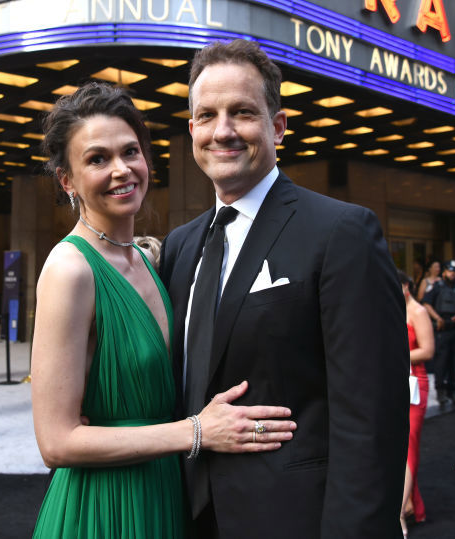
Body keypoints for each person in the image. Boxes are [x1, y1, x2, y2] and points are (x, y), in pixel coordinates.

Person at [160, 40, 407, 537]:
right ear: (192, 131)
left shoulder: (342, 232)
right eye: (207, 115)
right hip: (182, 517)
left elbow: (371, 422)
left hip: (292, 521)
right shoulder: (179, 247)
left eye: (243, 112)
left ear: (278, 126)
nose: (223, 130)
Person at [31, 81, 296, 539]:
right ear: (67, 180)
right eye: (97, 159)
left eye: (130, 152)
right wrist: (195, 432)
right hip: (104, 507)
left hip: (164, 492)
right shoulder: (69, 268)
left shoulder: (154, 260)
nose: (121, 170)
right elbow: (55, 442)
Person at [399, 272, 434, 536]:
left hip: (415, 383)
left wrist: (393, 355)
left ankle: (399, 513)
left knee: (409, 442)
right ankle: (412, 505)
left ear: (407, 286)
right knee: (399, 442)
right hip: (396, 381)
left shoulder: (418, 311)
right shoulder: (393, 308)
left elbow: (428, 350)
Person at [423, 260, 455, 407]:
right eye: (450, 271)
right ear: (444, 272)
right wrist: (437, 318)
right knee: (441, 361)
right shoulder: (437, 287)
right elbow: (426, 303)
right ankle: (441, 391)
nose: (453, 274)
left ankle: (453, 390)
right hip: (443, 328)